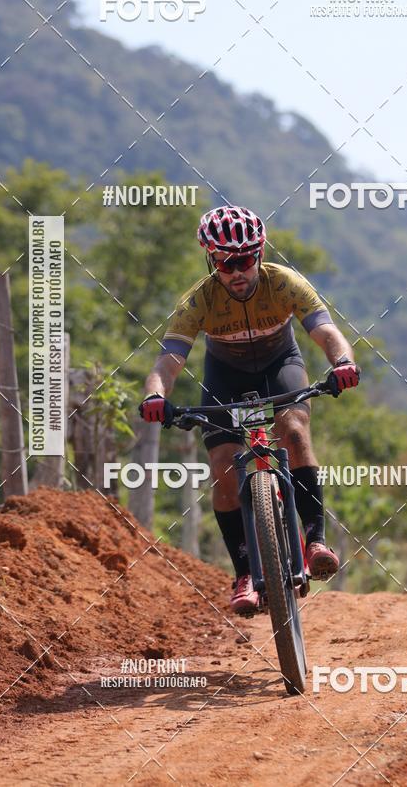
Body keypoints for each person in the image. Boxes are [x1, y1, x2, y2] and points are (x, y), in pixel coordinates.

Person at [140, 205, 360, 614]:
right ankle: (243, 572)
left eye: (245, 260)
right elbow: (167, 362)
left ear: (259, 253)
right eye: (225, 263)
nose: (237, 271)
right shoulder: (198, 300)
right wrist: (155, 396)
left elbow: (327, 332)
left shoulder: (284, 283)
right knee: (223, 467)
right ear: (212, 260)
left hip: (280, 366)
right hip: (224, 375)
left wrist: (342, 363)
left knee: (293, 431)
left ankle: (314, 541)